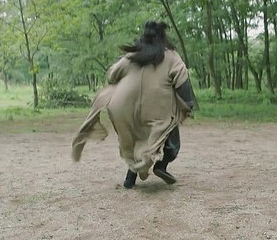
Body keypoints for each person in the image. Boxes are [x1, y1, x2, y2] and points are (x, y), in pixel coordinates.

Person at [71, 21, 197, 189]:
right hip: (158, 110)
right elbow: (182, 79)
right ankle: (161, 166)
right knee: (171, 142)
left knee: (134, 141)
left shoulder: (131, 57)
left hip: (128, 110)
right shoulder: (171, 56)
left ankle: (130, 177)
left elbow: (112, 75)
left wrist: (123, 82)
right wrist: (187, 104)